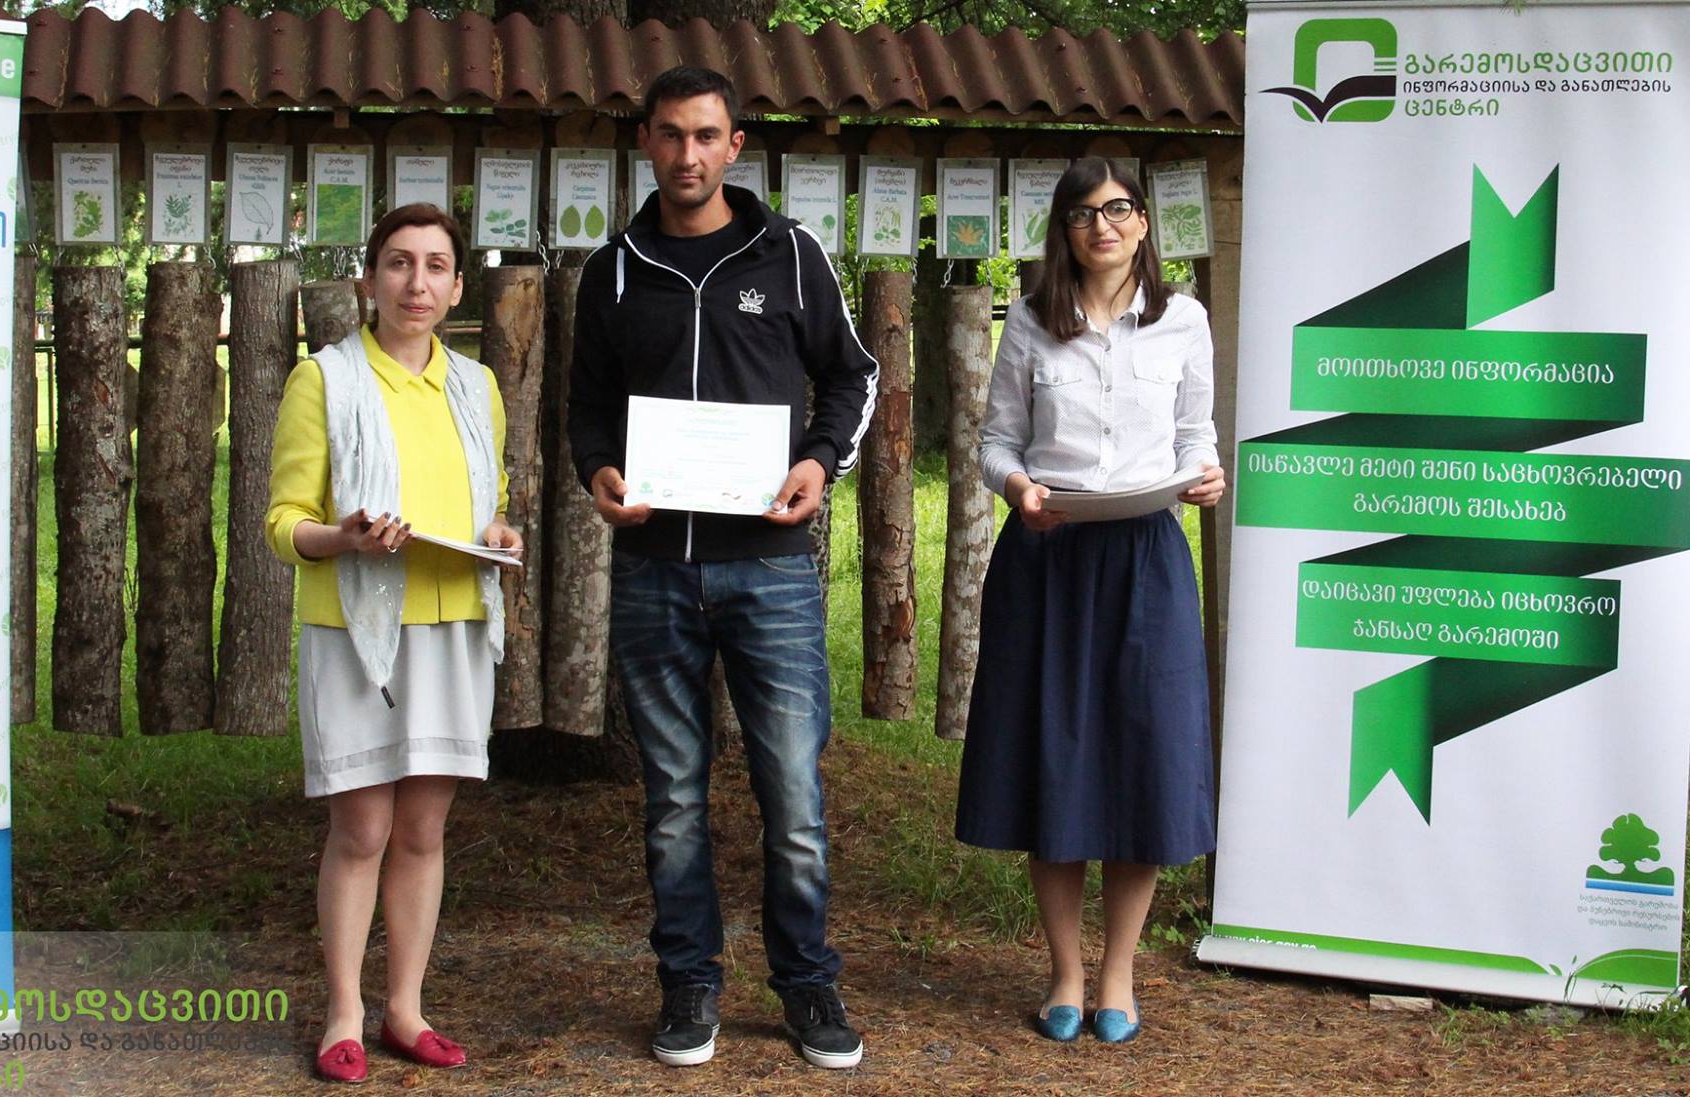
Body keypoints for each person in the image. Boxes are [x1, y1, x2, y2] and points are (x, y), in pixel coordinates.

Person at [566, 65, 881, 1070]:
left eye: (706, 135)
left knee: (792, 793)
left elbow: (853, 374)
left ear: (735, 145)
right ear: (645, 143)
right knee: (671, 798)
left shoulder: (789, 254)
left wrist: (819, 461)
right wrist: (597, 470)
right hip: (653, 569)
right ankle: (688, 984)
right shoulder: (613, 269)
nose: (687, 154)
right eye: (670, 134)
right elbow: (584, 406)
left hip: (770, 571)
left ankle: (807, 982)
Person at [956, 157, 1225, 1045]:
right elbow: (996, 442)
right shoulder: (1030, 322)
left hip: (1148, 557)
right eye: (1081, 213)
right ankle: (1066, 972)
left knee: (1145, 756)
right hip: (1049, 555)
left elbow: (1195, 437)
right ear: (1063, 230)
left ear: (1143, 221)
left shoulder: (1184, 320)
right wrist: (1019, 488)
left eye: (1117, 209)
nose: (1100, 226)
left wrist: (1207, 475)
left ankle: (1119, 974)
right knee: (1055, 756)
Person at [265, 203, 522, 1083]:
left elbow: (490, 498)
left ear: (457, 285)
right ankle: (343, 1012)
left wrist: (501, 533)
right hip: (356, 631)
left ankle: (405, 1009)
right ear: (369, 279)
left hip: (453, 624)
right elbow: (282, 522)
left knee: (421, 827)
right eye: (400, 263)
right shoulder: (325, 380)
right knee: (363, 826)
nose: (418, 283)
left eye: (436, 266)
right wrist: (343, 537)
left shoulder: (476, 385)